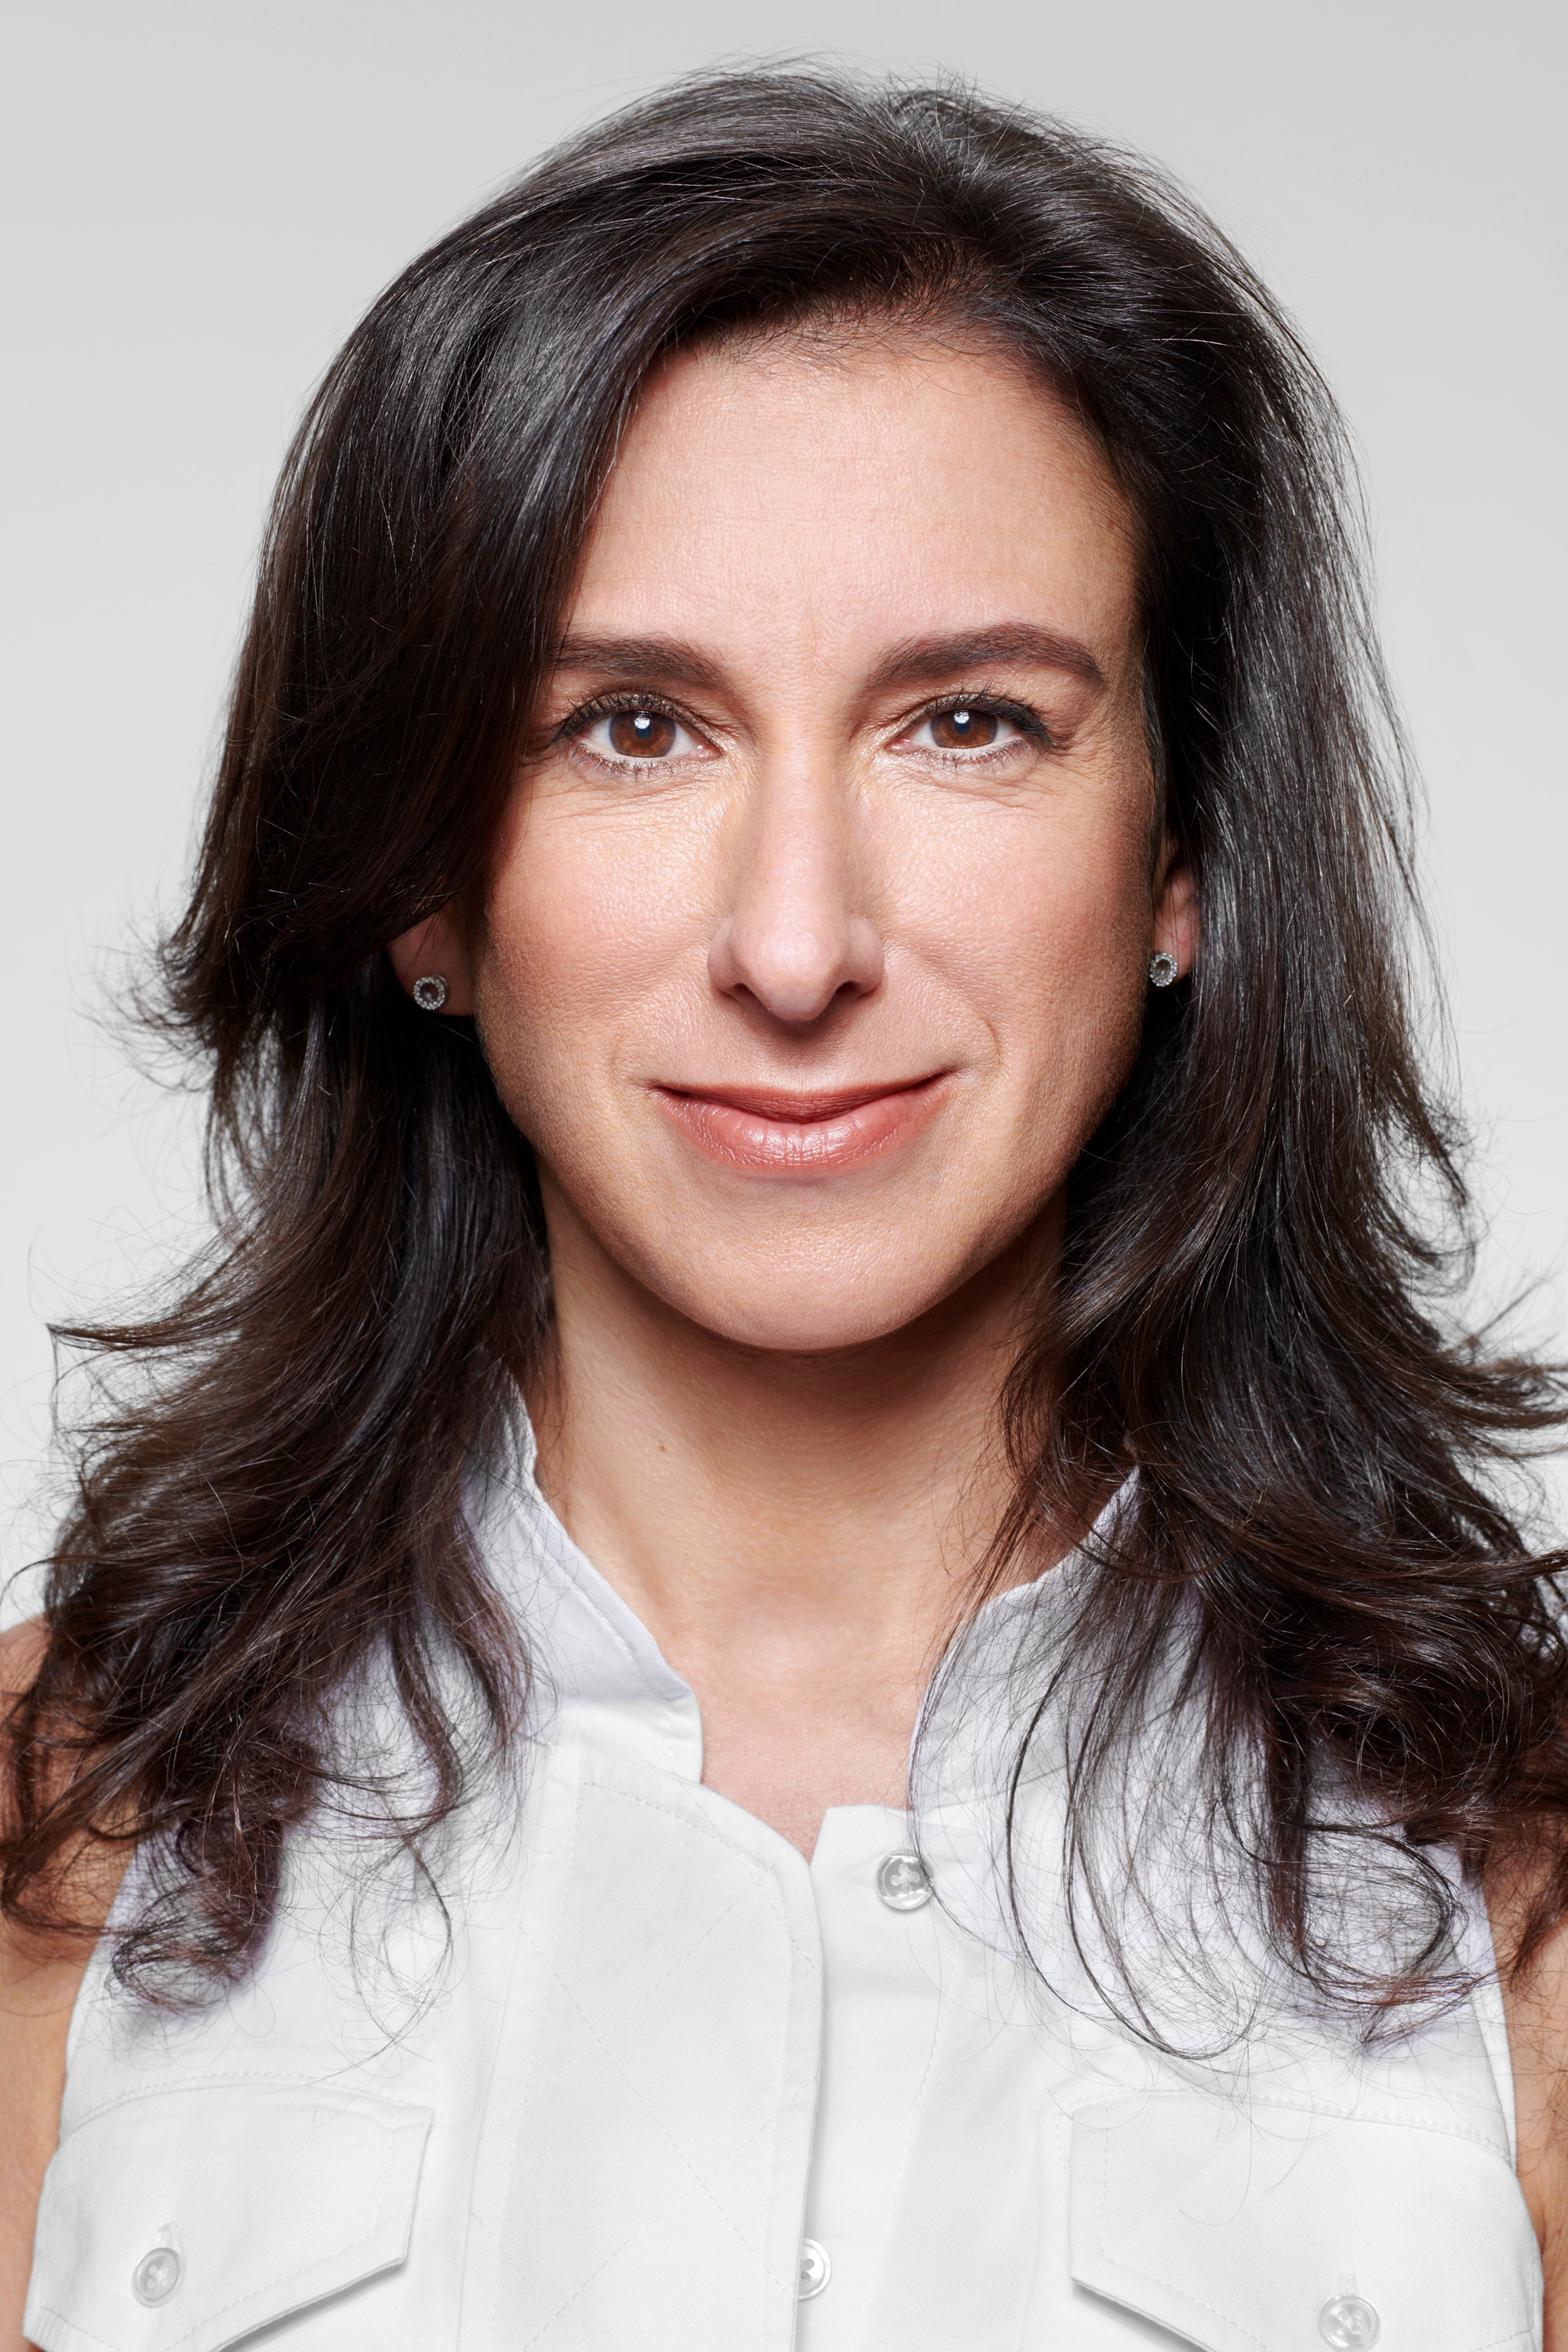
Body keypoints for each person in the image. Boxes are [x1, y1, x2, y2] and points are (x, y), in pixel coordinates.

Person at [2, 64, 1566, 2351]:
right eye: (631, 727)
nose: (800, 943)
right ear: (425, 880)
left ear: (1182, 861)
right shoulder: (70, 1817)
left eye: (973, 725)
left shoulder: (1510, 1871)